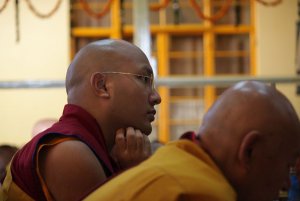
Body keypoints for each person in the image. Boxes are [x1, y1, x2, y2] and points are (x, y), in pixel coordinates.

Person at [84, 81, 300, 201]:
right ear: (249, 151)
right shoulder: (199, 194)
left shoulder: (176, 158)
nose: (287, 183)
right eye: (287, 166)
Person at [0, 39, 161, 201]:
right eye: (144, 79)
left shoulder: (108, 150)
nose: (156, 97)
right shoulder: (68, 152)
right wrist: (136, 173)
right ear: (102, 85)